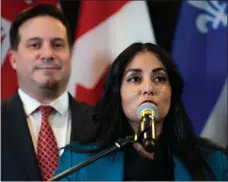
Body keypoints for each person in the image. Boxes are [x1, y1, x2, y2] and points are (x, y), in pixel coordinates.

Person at [54, 42, 228, 181]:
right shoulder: (77, 162)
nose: (148, 88)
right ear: (118, 93)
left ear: (171, 92)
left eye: (159, 78)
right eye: (135, 79)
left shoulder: (214, 162)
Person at [1, 4, 96, 181]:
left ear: (70, 53)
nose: (47, 54)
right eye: (35, 45)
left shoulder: (101, 124)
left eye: (57, 44)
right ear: (13, 59)